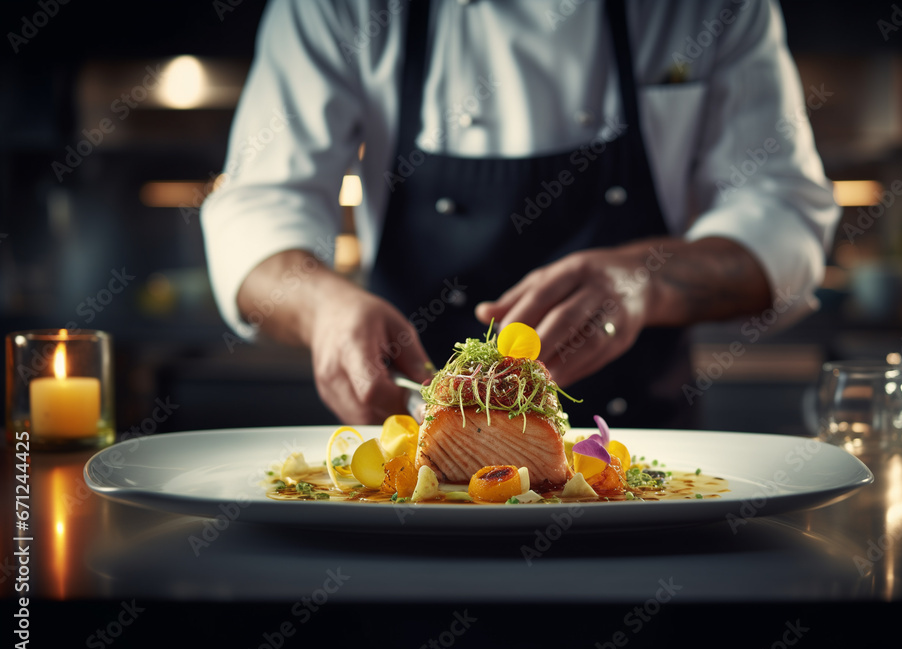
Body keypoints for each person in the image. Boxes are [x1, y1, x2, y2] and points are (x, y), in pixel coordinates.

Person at [200, 0, 840, 428]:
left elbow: (783, 210)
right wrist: (323, 309)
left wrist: (645, 278)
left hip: (645, 454)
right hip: (415, 453)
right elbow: (260, 202)